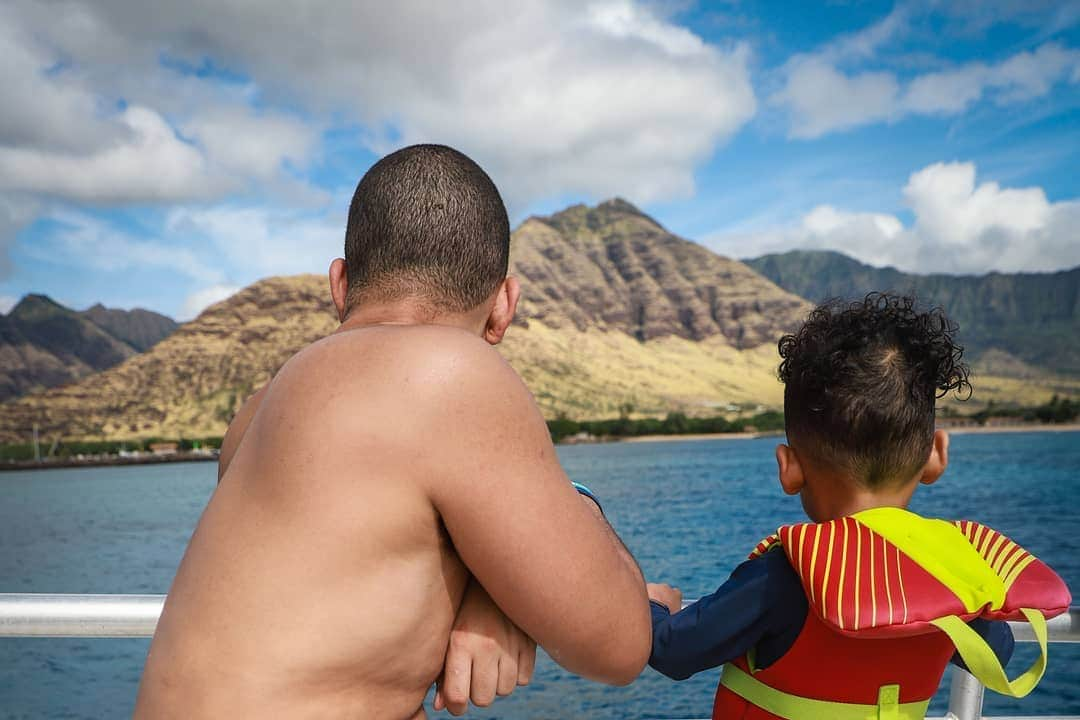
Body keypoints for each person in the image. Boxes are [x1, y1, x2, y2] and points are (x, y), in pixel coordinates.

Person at [134, 144, 652, 720]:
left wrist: (494, 594)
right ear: (505, 302)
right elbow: (620, 644)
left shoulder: (256, 414)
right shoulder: (453, 376)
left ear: (340, 283)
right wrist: (580, 509)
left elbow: (359, 574)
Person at [647, 293, 1071, 720]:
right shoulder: (955, 571)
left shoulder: (784, 575)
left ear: (789, 468)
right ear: (936, 455)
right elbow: (998, 654)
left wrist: (656, 605)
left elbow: (672, 652)